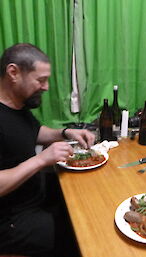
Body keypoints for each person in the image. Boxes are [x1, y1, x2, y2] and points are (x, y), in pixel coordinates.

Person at [0, 43, 95, 256]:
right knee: (82, 234)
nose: (46, 87)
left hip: (32, 195)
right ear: (13, 72)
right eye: (40, 80)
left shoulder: (17, 105)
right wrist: (41, 160)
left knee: (86, 202)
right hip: (10, 220)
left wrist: (66, 132)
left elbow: (34, 131)